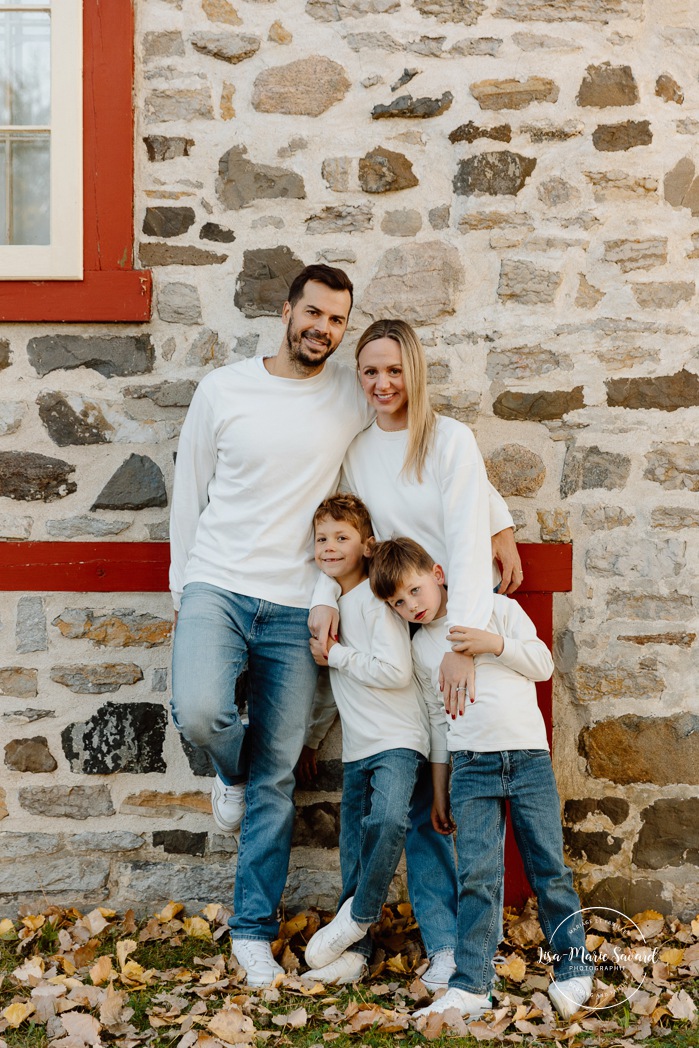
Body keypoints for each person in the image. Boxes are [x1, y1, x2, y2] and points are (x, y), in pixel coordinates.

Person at [169, 266, 520, 988]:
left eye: (338, 321)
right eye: (315, 316)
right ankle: (240, 787)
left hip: (372, 617)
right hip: (292, 606)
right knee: (222, 723)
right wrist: (193, 592)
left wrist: (501, 524)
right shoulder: (269, 404)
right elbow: (194, 492)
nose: (324, 331)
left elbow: (438, 446)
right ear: (289, 310)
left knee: (364, 789)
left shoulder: (388, 409)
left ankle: (287, 934)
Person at [309, 318, 521, 989]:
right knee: (382, 789)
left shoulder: (450, 440)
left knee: (445, 803)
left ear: (415, 372)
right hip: (390, 632)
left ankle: (450, 946)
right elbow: (344, 535)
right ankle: (360, 938)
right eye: (370, 371)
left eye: (394, 370)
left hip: (447, 634)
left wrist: (461, 642)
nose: (382, 384)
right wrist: (322, 593)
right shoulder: (357, 450)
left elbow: (464, 538)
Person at [369, 538, 595, 1023]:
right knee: (478, 875)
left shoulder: (497, 610)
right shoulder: (423, 645)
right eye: (399, 603)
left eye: (414, 590)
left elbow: (541, 663)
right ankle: (472, 984)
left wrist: (493, 644)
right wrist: (441, 785)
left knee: (549, 868)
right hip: (470, 766)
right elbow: (435, 717)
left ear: (437, 572)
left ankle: (574, 966)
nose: (412, 606)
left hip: (528, 757)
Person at [301, 494, 446, 984]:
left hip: (398, 739)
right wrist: (313, 739)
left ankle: (360, 916)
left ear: (365, 546)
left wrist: (338, 657)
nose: (329, 547)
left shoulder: (376, 600)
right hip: (359, 747)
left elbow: (396, 671)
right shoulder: (332, 606)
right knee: (355, 849)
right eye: (322, 539)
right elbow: (332, 688)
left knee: (387, 822)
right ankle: (356, 956)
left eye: (342, 537)